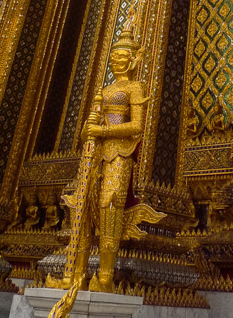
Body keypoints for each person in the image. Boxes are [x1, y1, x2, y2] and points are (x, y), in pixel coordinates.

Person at [60, 17, 148, 293]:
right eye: (114, 56)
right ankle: (76, 272)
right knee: (84, 209)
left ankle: (106, 277)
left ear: (132, 60)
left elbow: (136, 126)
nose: (116, 60)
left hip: (120, 155)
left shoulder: (135, 88)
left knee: (109, 209)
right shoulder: (106, 89)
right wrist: (89, 130)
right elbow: (93, 123)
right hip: (95, 155)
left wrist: (104, 131)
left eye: (122, 56)